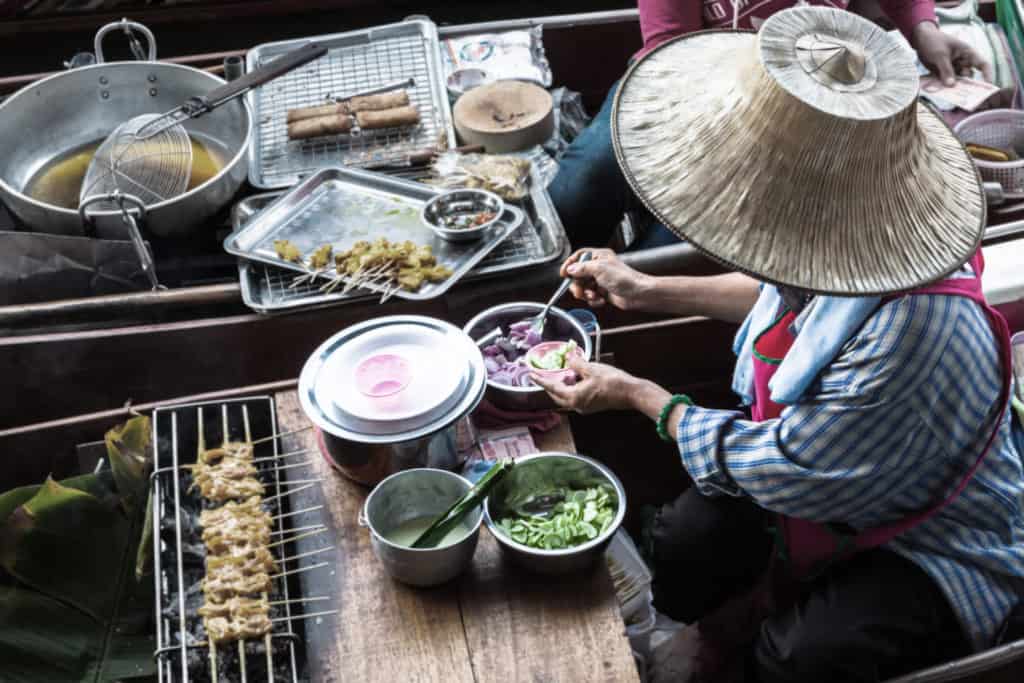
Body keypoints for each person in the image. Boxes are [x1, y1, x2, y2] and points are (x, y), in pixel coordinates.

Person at [530, 7, 1024, 682]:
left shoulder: (912, 332)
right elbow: (781, 301)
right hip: (831, 469)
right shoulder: (848, 235)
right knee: (687, 537)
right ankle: (713, 627)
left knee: (800, 657)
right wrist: (643, 287)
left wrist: (636, 394)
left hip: (932, 534)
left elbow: (789, 461)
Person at [549, 0, 992, 251]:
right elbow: (670, 49)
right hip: (680, 85)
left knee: (673, 251)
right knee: (582, 183)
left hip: (794, 116)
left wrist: (923, 28)